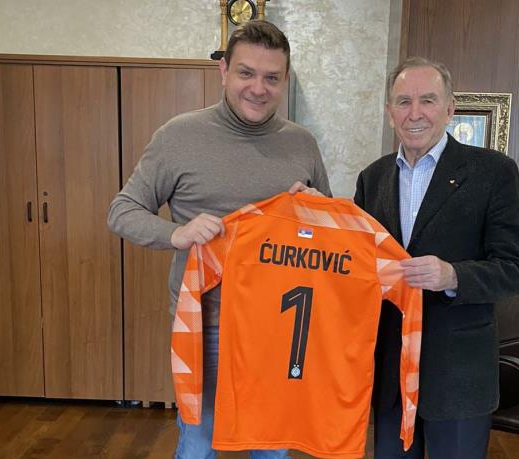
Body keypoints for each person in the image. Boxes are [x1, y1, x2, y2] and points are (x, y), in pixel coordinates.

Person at [107, 20, 331, 459]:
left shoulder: (302, 144)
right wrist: (177, 233)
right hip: (204, 326)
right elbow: (122, 211)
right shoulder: (178, 136)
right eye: (246, 73)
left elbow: (323, 236)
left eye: (272, 78)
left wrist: (318, 212)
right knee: (198, 444)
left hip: (280, 329)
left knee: (271, 448)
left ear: (285, 80)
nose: (258, 88)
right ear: (224, 71)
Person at [354, 57, 519, 458]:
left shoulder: (494, 172)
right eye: (403, 101)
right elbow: (357, 261)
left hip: (458, 376)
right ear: (390, 112)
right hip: (390, 375)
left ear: (450, 109)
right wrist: (313, 212)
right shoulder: (372, 178)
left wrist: (453, 276)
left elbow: (516, 270)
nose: (414, 113)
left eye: (428, 100)